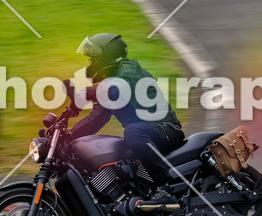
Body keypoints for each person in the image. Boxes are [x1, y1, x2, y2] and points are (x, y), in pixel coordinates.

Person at [69, 33, 185, 200]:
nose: (90, 63)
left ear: (107, 56)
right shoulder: (111, 82)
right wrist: (69, 135)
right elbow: (97, 118)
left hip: (166, 130)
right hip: (150, 132)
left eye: (92, 59)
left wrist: (84, 94)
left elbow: (115, 87)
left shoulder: (129, 71)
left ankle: (164, 187)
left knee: (133, 132)